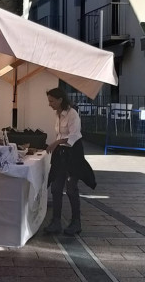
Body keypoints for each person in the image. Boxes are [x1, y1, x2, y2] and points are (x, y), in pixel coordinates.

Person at [43, 88, 96, 235]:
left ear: (60, 100)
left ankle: (76, 222)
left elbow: (74, 135)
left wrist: (56, 142)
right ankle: (56, 222)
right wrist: (56, 145)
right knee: (56, 187)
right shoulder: (57, 114)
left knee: (71, 187)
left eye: (52, 101)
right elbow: (60, 133)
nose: (50, 104)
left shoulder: (72, 114)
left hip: (73, 154)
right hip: (61, 154)